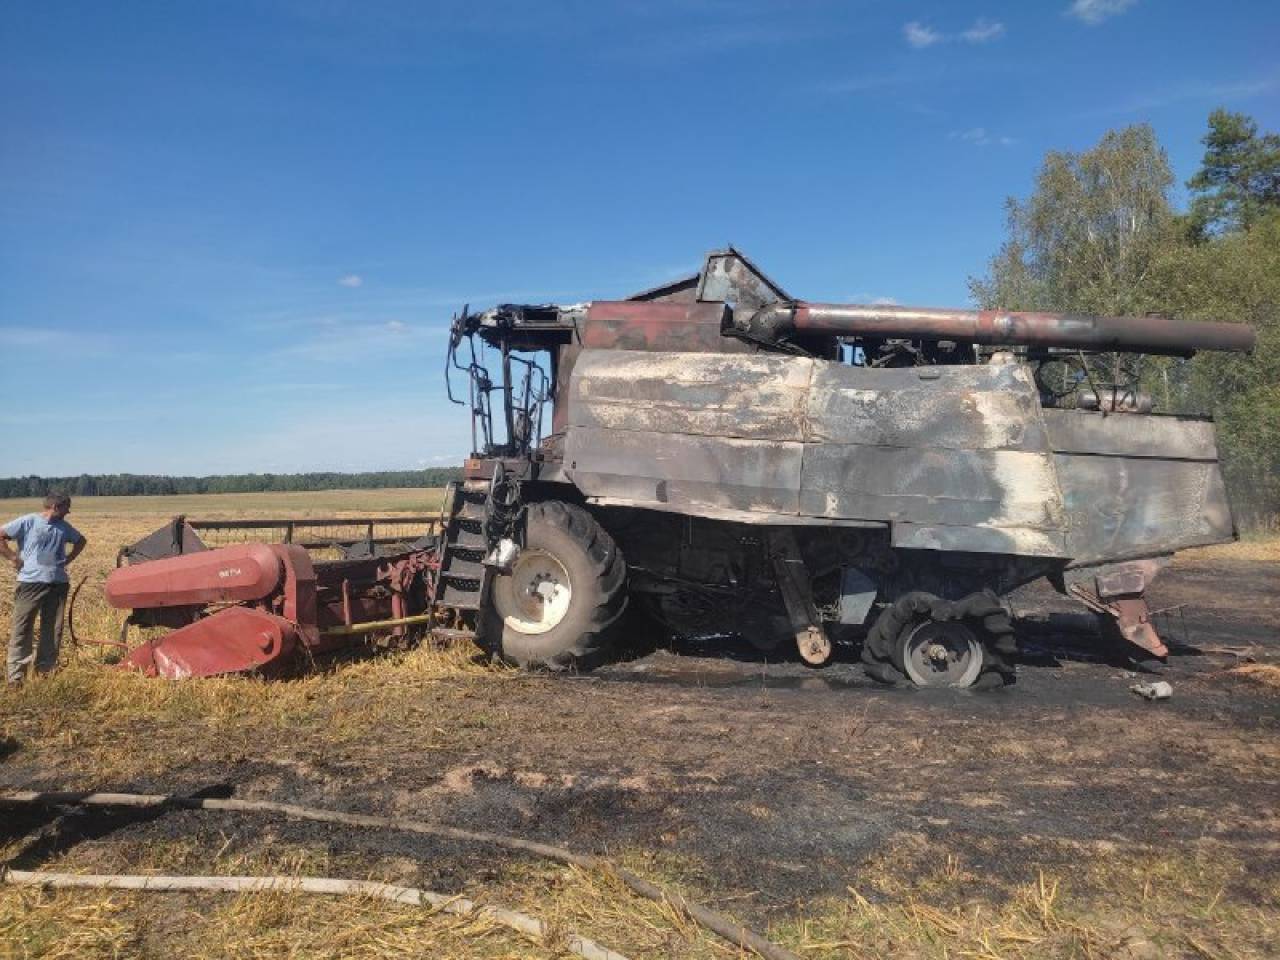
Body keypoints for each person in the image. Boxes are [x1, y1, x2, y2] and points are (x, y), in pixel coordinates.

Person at [1, 492, 86, 685]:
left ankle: (45, 672)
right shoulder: (29, 521)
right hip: (30, 584)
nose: (68, 512)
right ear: (55, 507)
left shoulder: (64, 527)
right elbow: (1, 536)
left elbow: (81, 541)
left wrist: (69, 559)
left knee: (53, 630)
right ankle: (16, 678)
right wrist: (13, 558)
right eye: (66, 508)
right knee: (22, 629)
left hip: (58, 585)